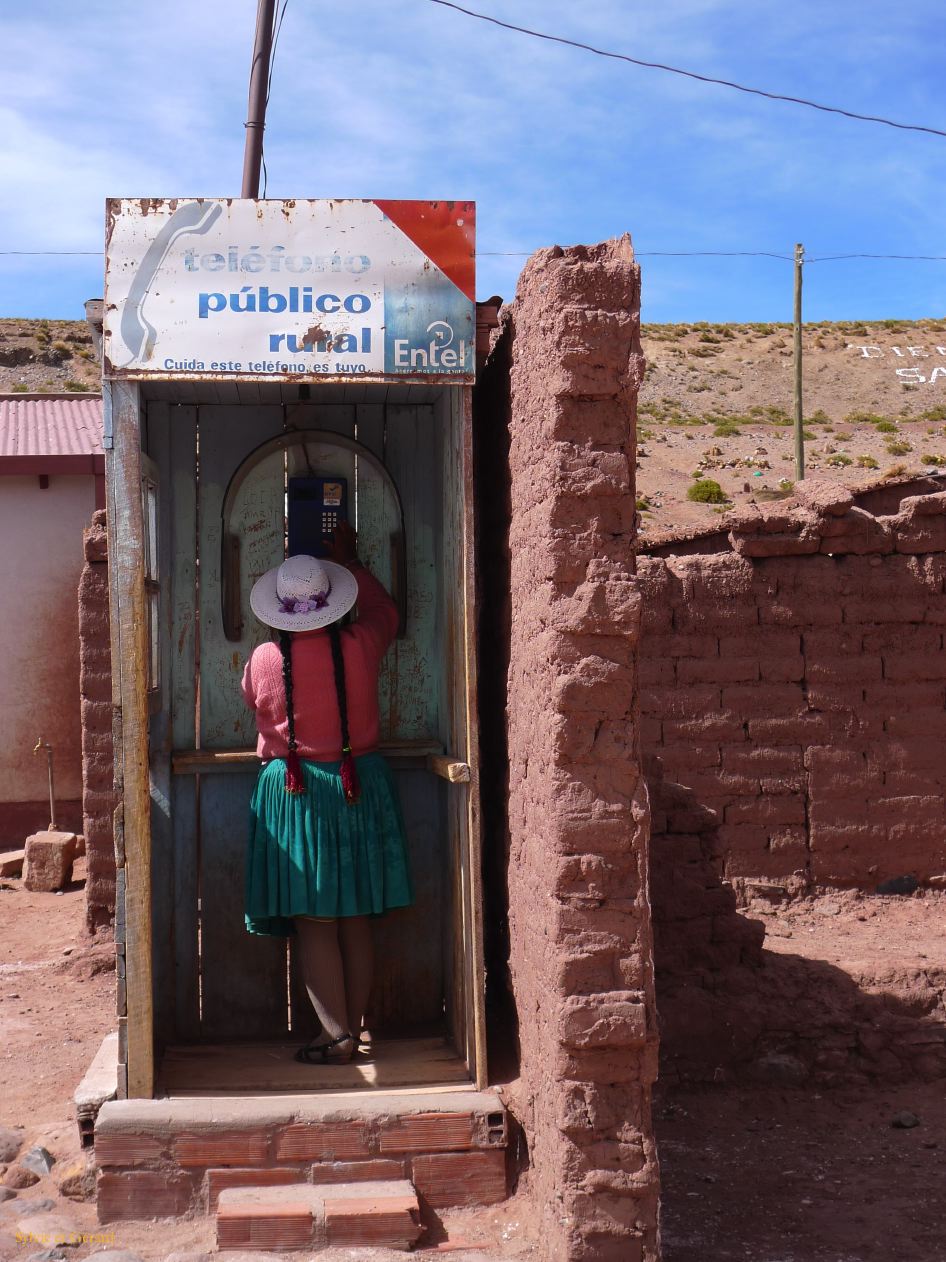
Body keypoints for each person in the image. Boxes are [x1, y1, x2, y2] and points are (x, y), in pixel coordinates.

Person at [241, 523, 413, 1064]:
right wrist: (354, 561)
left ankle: (334, 1038)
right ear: (333, 603)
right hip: (357, 786)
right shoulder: (362, 644)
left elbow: (255, 702)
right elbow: (386, 612)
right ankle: (354, 1031)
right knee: (355, 915)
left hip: (295, 796)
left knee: (315, 921)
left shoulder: (267, 660)